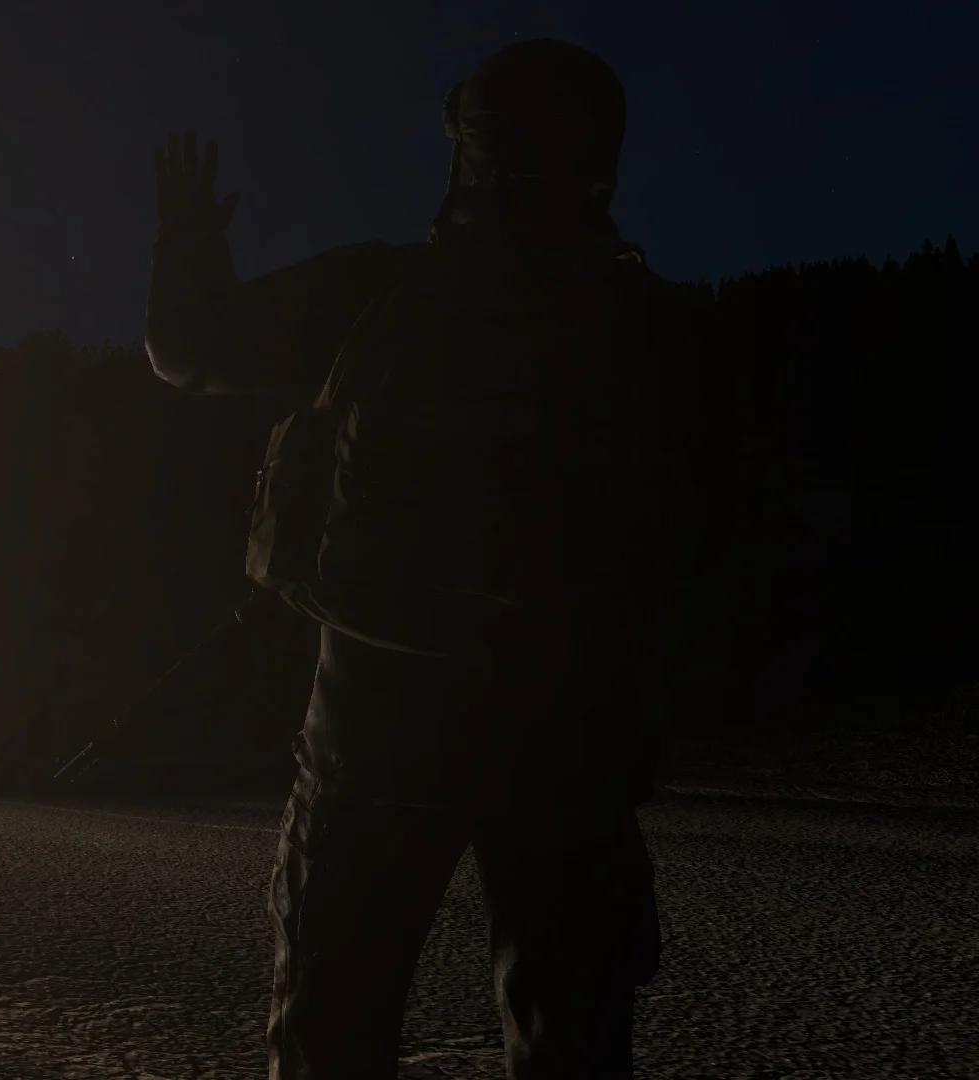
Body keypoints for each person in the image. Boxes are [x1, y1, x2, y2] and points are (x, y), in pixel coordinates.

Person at [145, 39, 707, 1080]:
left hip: (373, 731)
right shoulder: (659, 324)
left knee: (332, 1031)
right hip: (573, 739)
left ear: (466, 150)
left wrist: (186, 238)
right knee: (573, 1045)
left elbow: (188, 350)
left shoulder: (376, 292)